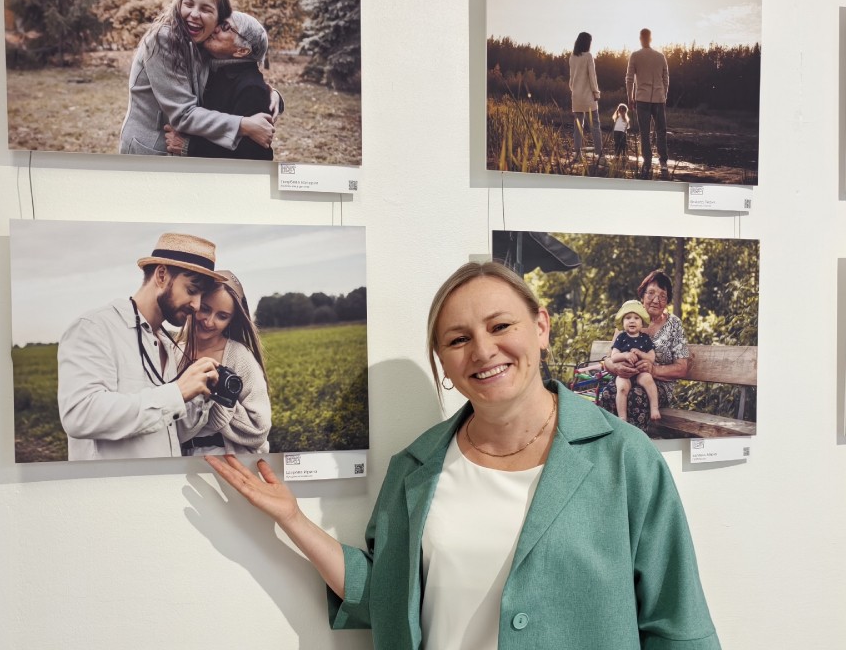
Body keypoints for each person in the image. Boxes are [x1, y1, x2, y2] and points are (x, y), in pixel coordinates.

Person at [205, 262, 719, 649]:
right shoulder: (415, 468)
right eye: (458, 339)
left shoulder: (626, 460)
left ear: (541, 327)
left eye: (500, 326)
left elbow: (679, 627)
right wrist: (293, 519)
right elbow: (388, 596)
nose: (483, 350)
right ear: (444, 363)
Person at [57, 233, 225, 461]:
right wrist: (177, 392)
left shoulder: (167, 343)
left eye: (201, 295)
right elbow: (80, 414)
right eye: (192, 290)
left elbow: (169, 431)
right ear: (162, 275)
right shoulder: (94, 327)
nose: (196, 305)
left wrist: (200, 396)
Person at [119, 0, 275, 156]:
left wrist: (271, 96)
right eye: (188, 4)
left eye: (206, 9)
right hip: (151, 147)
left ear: (217, 18)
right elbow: (183, 114)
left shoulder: (201, 42)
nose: (194, 14)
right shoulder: (163, 40)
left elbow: (231, 81)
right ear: (179, 4)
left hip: (178, 149)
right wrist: (244, 125)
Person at [176, 270, 272, 455]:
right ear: (194, 302)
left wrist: (215, 398)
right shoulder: (172, 353)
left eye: (222, 316)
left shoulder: (239, 356)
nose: (209, 322)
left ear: (231, 320)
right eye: (205, 309)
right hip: (183, 465)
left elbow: (259, 429)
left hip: (233, 463)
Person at [164, 12, 275, 160]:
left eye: (226, 27)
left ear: (241, 51)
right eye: (219, 22)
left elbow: (256, 155)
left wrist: (190, 147)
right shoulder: (214, 68)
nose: (215, 28)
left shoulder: (251, 88)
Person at [599, 270, 691, 431]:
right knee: (608, 393)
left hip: (657, 385)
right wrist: (616, 367)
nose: (656, 300)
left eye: (662, 296)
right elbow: (608, 359)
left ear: (667, 301)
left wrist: (653, 370)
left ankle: (636, 445)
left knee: (636, 396)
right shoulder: (628, 318)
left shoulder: (674, 324)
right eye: (651, 293)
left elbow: (682, 368)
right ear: (642, 295)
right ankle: (612, 442)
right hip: (625, 378)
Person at [625, 28, 670, 178]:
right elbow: (666, 79)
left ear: (640, 39)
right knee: (661, 131)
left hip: (642, 99)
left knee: (644, 133)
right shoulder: (660, 56)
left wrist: (630, 98)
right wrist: (664, 95)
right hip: (658, 99)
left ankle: (647, 163)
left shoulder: (635, 56)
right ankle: (663, 163)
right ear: (650, 39)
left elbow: (629, 79)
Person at [610, 300, 660, 423]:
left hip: (640, 372)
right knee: (622, 388)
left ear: (642, 322)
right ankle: (622, 418)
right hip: (624, 373)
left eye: (636, 318)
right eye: (628, 318)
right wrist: (625, 355)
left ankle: (654, 408)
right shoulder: (621, 338)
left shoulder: (645, 338)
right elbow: (614, 357)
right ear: (622, 322)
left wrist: (641, 354)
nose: (632, 321)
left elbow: (651, 357)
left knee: (648, 380)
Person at [568, 31, 603, 167]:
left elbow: (571, 79)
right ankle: (599, 155)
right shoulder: (588, 56)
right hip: (588, 97)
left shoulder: (572, 57)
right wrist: (596, 93)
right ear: (587, 43)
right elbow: (592, 77)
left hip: (576, 96)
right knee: (595, 126)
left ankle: (577, 154)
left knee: (578, 127)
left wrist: (574, 90)